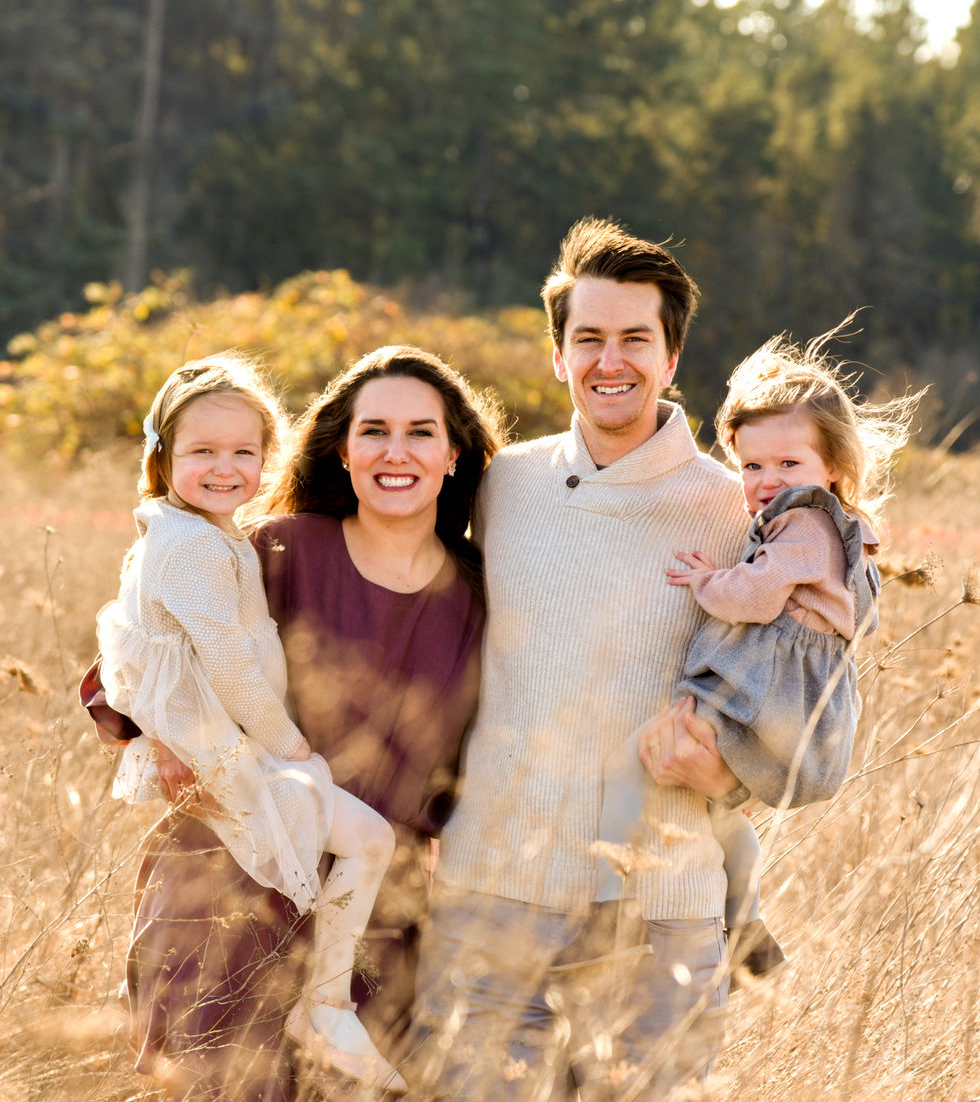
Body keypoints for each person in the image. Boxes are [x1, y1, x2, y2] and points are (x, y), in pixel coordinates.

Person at [83, 345, 501, 1101]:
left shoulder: (482, 596)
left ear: (454, 454)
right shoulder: (274, 549)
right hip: (229, 888)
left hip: (371, 920)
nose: (396, 452)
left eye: (420, 432)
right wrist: (162, 738)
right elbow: (132, 661)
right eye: (373, 431)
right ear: (342, 449)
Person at [410, 217, 758, 1100]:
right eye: (589, 338)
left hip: (658, 909)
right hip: (491, 896)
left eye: (636, 339)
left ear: (672, 358)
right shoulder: (502, 484)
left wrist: (735, 767)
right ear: (559, 357)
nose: (611, 361)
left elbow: (805, 696)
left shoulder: (735, 509)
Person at [600, 320, 920, 981]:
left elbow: (756, 595)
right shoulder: (835, 528)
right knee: (716, 807)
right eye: (751, 465)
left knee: (633, 762)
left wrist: (707, 581)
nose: (767, 479)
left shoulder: (806, 522)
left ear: (833, 467)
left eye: (788, 464)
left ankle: (613, 912)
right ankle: (745, 922)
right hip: (784, 701)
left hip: (762, 693)